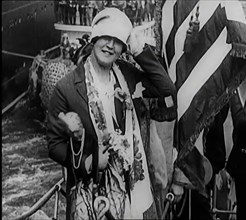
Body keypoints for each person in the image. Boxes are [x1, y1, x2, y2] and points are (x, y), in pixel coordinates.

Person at [47, 7, 176, 220]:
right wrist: (90, 162)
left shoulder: (127, 76)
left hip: (129, 192)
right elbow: (54, 146)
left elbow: (166, 88)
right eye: (105, 37)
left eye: (117, 40)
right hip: (90, 199)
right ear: (94, 38)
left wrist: (137, 48)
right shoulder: (66, 89)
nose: (110, 45)